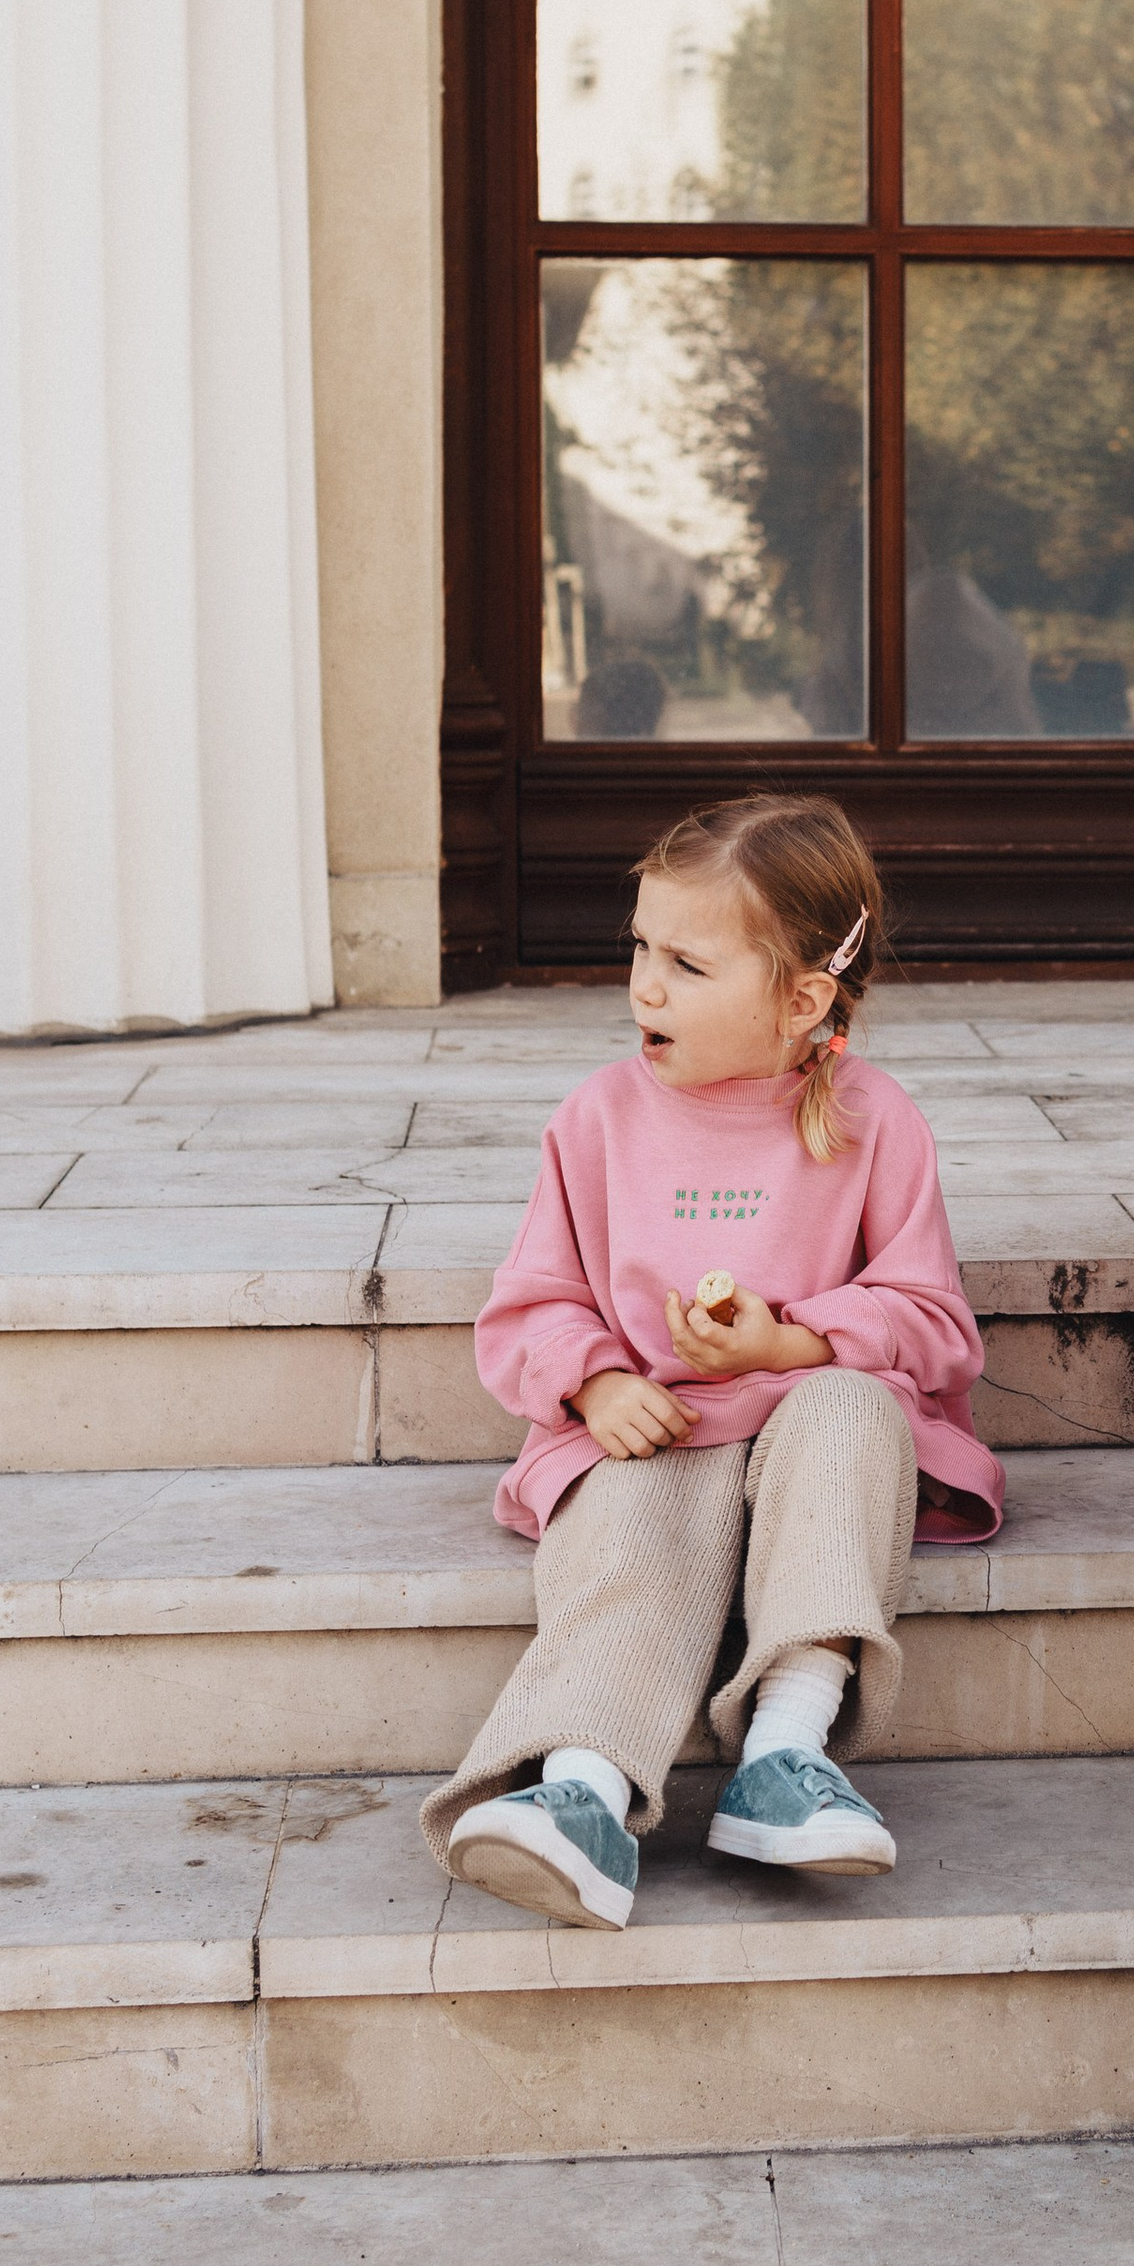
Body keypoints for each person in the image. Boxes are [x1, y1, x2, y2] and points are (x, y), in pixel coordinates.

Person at [425, 793, 1002, 1934]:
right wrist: (596, 1380)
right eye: (639, 947)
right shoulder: (596, 1120)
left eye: (686, 963)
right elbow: (529, 1306)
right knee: (636, 1502)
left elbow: (934, 1323)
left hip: (811, 1427)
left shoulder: (874, 1123)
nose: (644, 984)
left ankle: (786, 1754)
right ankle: (579, 1789)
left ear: (802, 998)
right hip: (661, 1424)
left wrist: (791, 1342)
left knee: (846, 1410)